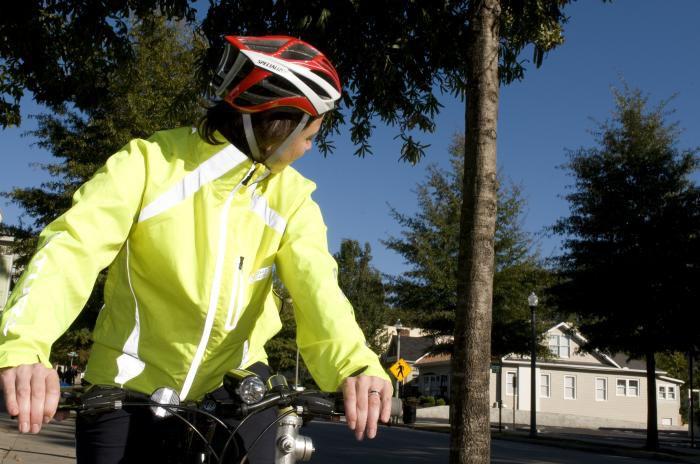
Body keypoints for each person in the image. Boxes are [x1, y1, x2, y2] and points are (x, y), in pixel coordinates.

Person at [0, 35, 392, 462]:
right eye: (311, 132)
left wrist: (356, 365)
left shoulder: (293, 198)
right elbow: (71, 249)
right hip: (126, 383)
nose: (311, 146)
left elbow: (319, 288)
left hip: (239, 386)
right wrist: (25, 345)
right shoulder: (149, 164)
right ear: (281, 125)